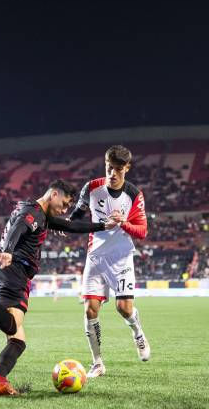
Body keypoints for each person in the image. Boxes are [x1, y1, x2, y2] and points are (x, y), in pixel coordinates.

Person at [0, 179, 119, 396]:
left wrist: (102, 225)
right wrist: (8, 251)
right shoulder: (33, 214)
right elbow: (19, 227)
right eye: (65, 202)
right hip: (14, 272)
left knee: (17, 340)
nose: (65, 208)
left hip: (0, 274)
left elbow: (69, 225)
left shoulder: (36, 213)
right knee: (14, 327)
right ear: (54, 194)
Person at [69, 145, 150, 378]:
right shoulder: (92, 188)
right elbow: (78, 213)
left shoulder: (134, 194)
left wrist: (124, 222)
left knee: (123, 309)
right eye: (108, 168)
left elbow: (142, 231)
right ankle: (98, 363)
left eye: (117, 169)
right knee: (89, 310)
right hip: (95, 256)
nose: (112, 174)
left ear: (127, 168)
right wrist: (67, 225)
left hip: (121, 257)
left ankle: (138, 333)